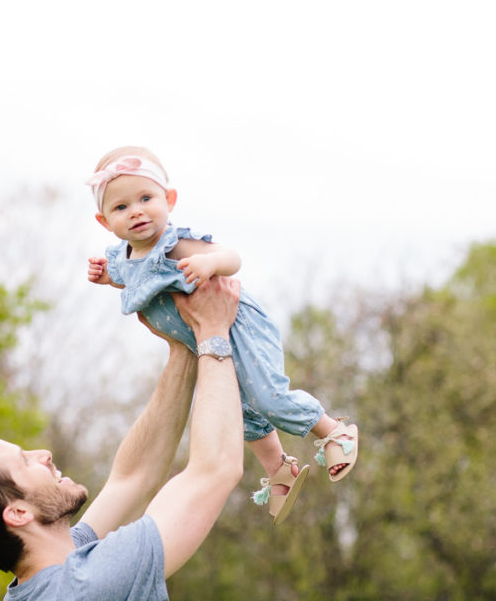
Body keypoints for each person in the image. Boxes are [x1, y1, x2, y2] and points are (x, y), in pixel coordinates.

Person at [0, 277, 246, 601]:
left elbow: (133, 478)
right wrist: (213, 330)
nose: (43, 455)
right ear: (18, 514)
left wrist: (183, 344)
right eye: (25, 461)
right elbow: (215, 469)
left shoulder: (36, 592)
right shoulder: (84, 591)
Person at [86, 146, 358, 525]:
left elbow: (232, 258)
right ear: (104, 221)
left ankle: (334, 432)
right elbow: (134, 281)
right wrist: (106, 277)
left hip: (239, 325)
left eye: (146, 199)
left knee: (267, 397)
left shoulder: (176, 243)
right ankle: (279, 468)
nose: (136, 211)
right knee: (239, 410)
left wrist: (208, 262)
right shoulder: (124, 258)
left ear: (169, 200)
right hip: (203, 340)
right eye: (121, 207)